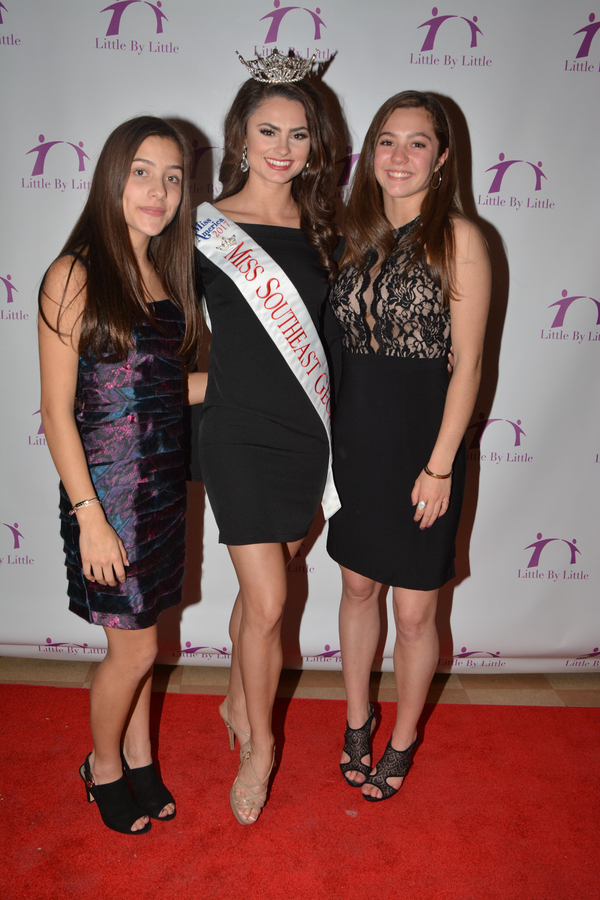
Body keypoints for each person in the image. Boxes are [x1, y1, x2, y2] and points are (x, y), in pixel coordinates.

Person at [38, 117, 204, 834]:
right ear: (112, 176)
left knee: (149, 638)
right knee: (132, 645)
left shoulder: (164, 273)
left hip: (165, 490)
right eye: (142, 171)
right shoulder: (74, 272)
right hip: (106, 493)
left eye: (172, 178)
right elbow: (55, 412)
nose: (158, 190)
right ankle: (102, 765)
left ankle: (138, 755)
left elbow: (168, 388)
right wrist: (90, 515)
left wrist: (258, 377)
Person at [327, 91, 490, 801]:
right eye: (386, 141)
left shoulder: (459, 239)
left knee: (417, 611)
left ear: (442, 157)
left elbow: (470, 364)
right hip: (354, 444)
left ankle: (403, 738)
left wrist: (441, 464)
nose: (398, 156)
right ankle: (358, 720)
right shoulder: (345, 234)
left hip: (426, 450)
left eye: (416, 142)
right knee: (358, 585)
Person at [193, 51, 339, 824]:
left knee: (261, 598)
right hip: (239, 435)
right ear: (240, 137)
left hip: (307, 438)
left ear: (317, 145)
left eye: (300, 134)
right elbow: (165, 332)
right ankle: (260, 747)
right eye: (268, 130)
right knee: (273, 599)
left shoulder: (325, 229)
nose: (284, 147)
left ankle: (229, 700)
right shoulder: (204, 228)